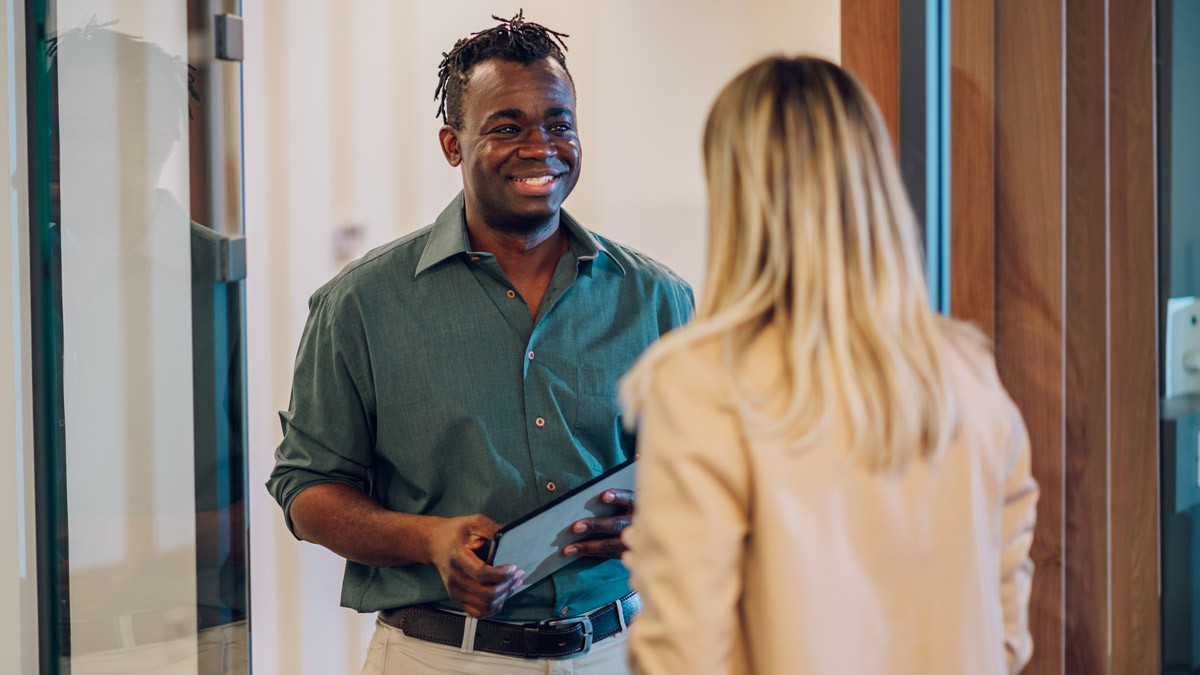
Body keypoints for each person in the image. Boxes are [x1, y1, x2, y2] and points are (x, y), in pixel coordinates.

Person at [266, 10, 693, 674]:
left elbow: (701, 476)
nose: (540, 145)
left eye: (559, 124)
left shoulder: (659, 298)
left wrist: (656, 517)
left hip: (622, 650)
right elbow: (307, 489)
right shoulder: (361, 302)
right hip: (440, 655)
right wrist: (429, 537)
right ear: (451, 144)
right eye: (506, 127)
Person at [618, 56, 1039, 675]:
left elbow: (685, 655)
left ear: (736, 196)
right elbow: (1006, 627)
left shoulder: (702, 385)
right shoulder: (966, 373)